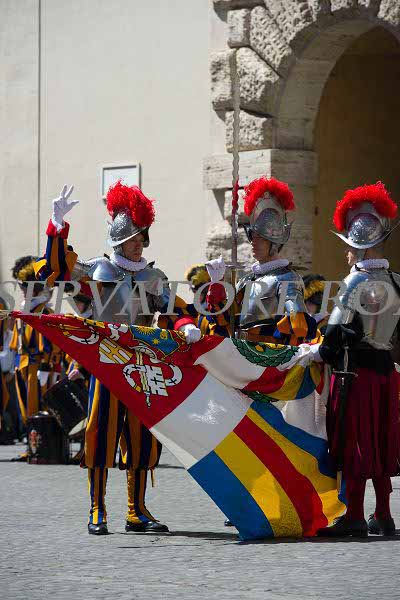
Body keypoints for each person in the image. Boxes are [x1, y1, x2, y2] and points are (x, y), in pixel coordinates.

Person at [36, 182, 200, 535]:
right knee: (100, 434)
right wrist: (57, 227)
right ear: (117, 239)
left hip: (142, 365)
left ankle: (136, 510)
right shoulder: (98, 270)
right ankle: (97, 509)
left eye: (141, 236)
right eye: (131, 237)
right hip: (106, 364)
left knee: (141, 438)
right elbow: (52, 272)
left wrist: (186, 326)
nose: (138, 242)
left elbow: (176, 310)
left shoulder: (153, 276)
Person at [316, 182, 400, 537]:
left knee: (356, 443)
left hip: (356, 375)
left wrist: (317, 354)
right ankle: (384, 515)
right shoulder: (397, 281)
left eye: (349, 247)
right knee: (381, 442)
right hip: (387, 373)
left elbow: (334, 336)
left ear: (359, 246)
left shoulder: (353, 283)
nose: (347, 254)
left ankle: (353, 516)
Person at [205, 176, 316, 344]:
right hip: (242, 352)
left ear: (274, 243)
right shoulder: (246, 280)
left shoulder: (287, 279)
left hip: (270, 354)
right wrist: (217, 284)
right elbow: (224, 320)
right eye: (252, 236)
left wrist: (269, 334)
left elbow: (299, 327)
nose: (253, 242)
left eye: (260, 238)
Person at [10, 256, 61, 459]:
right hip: (22, 363)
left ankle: (42, 447)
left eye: (25, 286)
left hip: (38, 365)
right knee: (24, 406)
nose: (22, 290)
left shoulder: (44, 311)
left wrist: (47, 366)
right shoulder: (25, 309)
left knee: (39, 406)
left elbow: (52, 343)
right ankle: (31, 447)